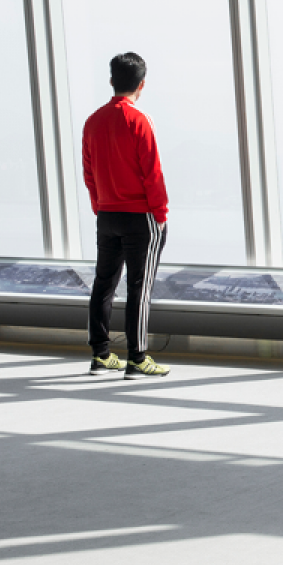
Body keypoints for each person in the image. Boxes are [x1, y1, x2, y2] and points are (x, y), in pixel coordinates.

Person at [82, 52, 171, 379]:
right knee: (139, 286)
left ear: (111, 81)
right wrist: (159, 215)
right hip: (139, 217)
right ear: (142, 85)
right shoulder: (139, 120)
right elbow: (153, 174)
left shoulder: (93, 121)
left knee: (103, 284)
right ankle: (137, 358)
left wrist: (99, 205)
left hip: (107, 215)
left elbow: (88, 172)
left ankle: (101, 355)